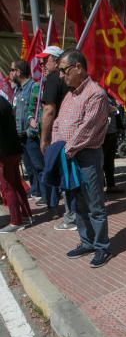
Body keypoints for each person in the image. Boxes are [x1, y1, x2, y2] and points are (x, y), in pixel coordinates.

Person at [52, 49, 111, 268]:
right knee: (78, 203)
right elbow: (58, 123)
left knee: (95, 203)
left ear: (78, 68)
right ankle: (86, 242)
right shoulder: (70, 95)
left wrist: (66, 150)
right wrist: (57, 145)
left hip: (86, 156)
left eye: (64, 70)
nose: (61, 75)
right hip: (69, 156)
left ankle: (102, 246)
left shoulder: (96, 94)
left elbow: (87, 130)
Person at [36, 45, 77, 230]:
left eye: (46, 60)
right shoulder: (62, 80)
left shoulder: (53, 79)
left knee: (66, 176)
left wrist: (44, 139)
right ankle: (74, 213)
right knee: (71, 175)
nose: (42, 64)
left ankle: (72, 216)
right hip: (71, 133)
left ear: (56, 59)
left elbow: (49, 110)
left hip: (61, 136)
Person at [11, 60, 45, 204]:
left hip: (30, 135)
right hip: (20, 135)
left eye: (12, 70)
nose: (10, 73)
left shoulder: (34, 87)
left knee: (39, 166)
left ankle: (46, 193)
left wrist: (32, 130)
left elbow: (38, 111)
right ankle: (35, 189)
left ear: (18, 72)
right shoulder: (17, 89)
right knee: (29, 166)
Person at [0, 95, 33, 233]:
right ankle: (26, 215)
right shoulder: (4, 101)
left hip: (4, 152)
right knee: (16, 184)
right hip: (13, 149)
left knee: (8, 186)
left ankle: (15, 221)